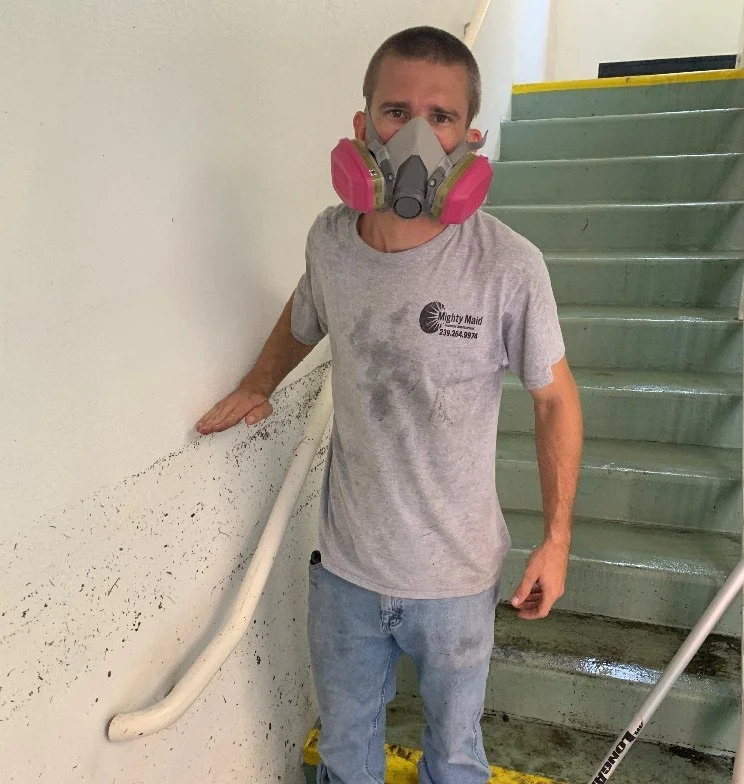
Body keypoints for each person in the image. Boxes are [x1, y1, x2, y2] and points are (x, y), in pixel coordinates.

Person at [196, 25, 583, 784]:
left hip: (458, 581)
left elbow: (555, 402)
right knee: (346, 756)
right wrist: (258, 383)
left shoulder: (508, 266)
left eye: (441, 118)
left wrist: (558, 538)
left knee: (455, 758)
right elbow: (305, 313)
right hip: (346, 571)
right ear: (362, 123)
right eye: (396, 111)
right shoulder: (331, 240)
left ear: (471, 138)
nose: (417, 136)